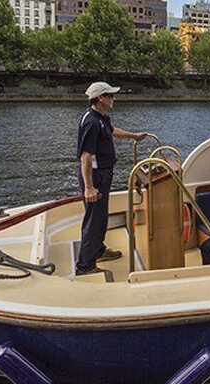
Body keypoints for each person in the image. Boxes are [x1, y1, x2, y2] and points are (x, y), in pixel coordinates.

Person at [76, 81, 147, 276]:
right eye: (111, 96)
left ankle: (98, 251)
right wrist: (89, 187)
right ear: (101, 98)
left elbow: (112, 131)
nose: (114, 99)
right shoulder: (91, 122)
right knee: (94, 221)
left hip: (103, 175)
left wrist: (134, 136)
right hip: (96, 177)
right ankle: (85, 266)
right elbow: (85, 157)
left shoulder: (101, 118)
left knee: (100, 218)